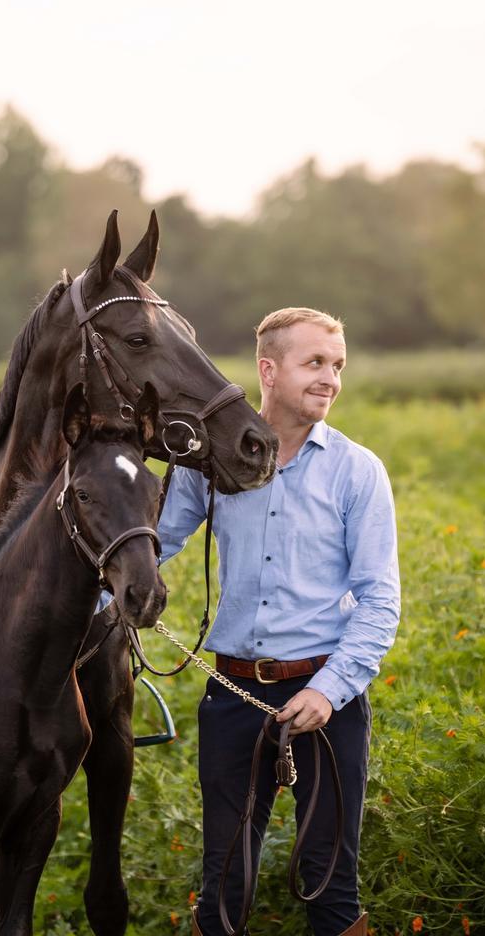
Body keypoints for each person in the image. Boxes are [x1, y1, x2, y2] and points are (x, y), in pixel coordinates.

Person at [158, 308, 400, 936]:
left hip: (327, 698)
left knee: (329, 884)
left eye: (337, 365)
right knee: (223, 884)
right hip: (235, 695)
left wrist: (328, 691)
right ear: (268, 369)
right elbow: (146, 546)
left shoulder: (356, 470)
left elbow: (379, 602)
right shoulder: (209, 464)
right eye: (315, 362)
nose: (330, 379)